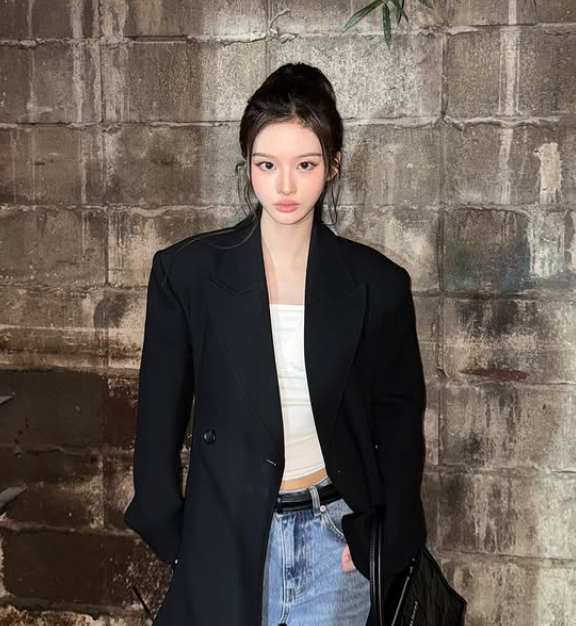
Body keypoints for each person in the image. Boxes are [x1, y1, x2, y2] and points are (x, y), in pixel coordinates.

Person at [123, 62, 427, 626]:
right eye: (267, 164)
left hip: (336, 540)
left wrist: (386, 537)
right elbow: (159, 416)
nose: (285, 186)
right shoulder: (187, 274)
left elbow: (399, 420)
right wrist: (176, 533)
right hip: (226, 538)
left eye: (305, 164)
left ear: (333, 165)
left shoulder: (379, 284)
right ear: (247, 166)